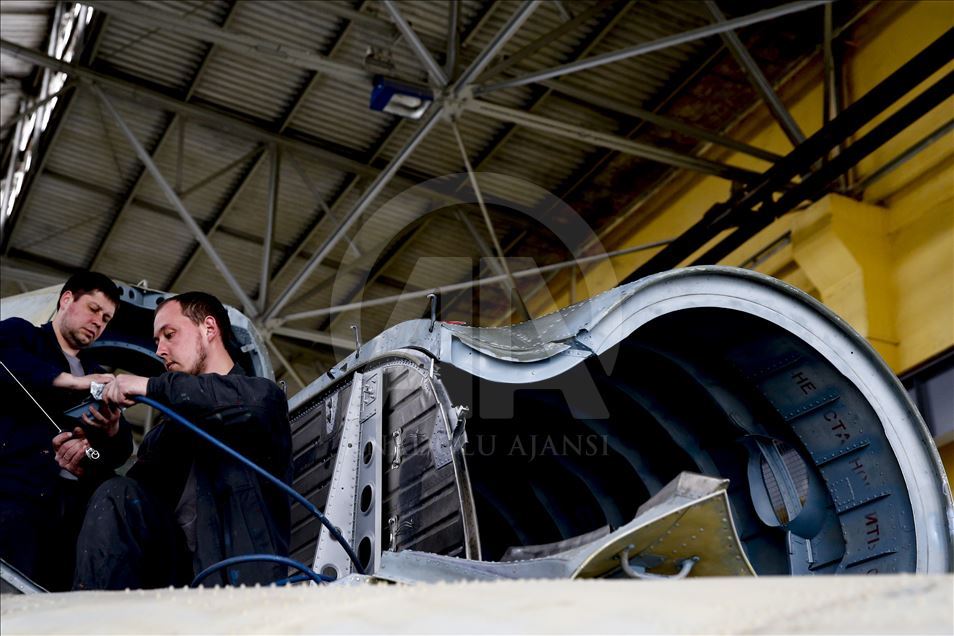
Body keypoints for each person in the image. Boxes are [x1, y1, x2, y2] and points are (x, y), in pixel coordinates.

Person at [73, 291, 292, 589]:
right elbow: (124, 507)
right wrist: (91, 458)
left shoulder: (260, 397)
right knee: (115, 493)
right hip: (174, 583)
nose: (160, 350)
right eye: (156, 341)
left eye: (169, 334)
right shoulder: (164, 435)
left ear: (209, 328)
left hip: (238, 583)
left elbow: (242, 402)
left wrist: (149, 386)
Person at [0, 271, 133, 591]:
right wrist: (73, 382)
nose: (98, 322)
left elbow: (121, 452)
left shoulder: (97, 374)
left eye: (106, 318)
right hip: (14, 498)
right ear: (67, 299)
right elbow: (9, 363)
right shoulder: (21, 334)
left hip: (70, 516)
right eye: (93, 309)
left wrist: (111, 429)